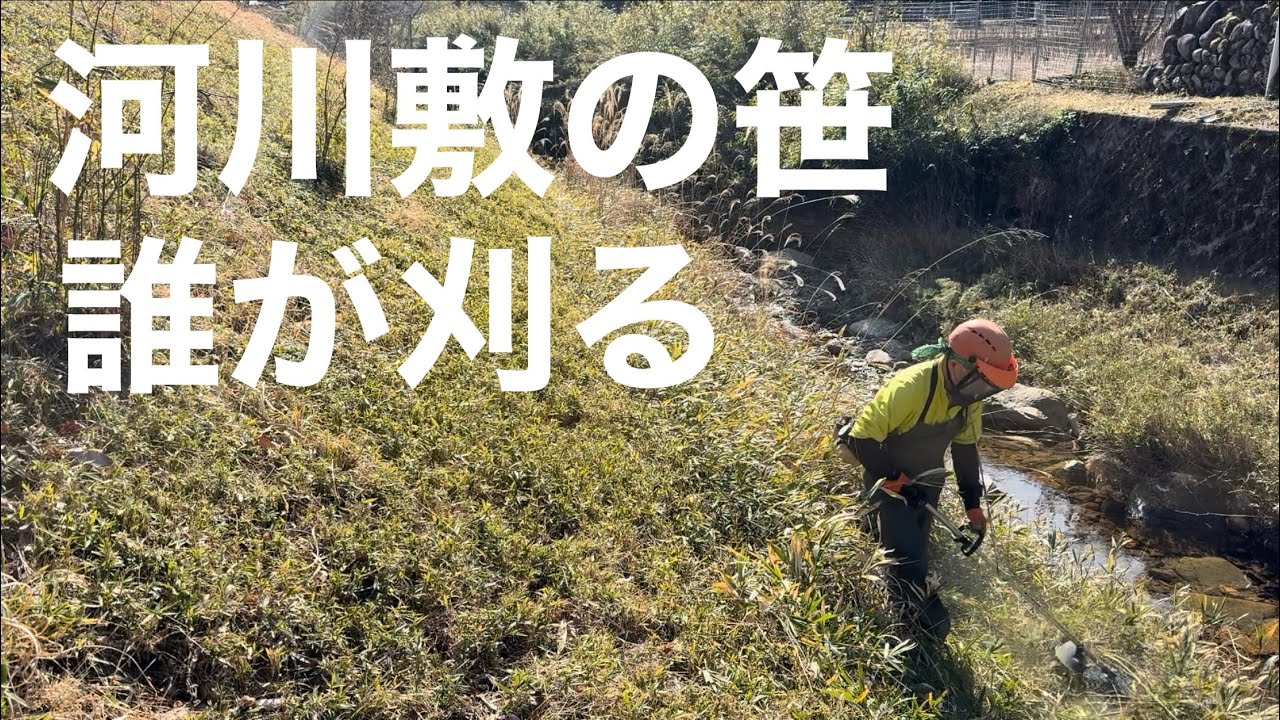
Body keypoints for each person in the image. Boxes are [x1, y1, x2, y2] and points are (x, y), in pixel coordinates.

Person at [835, 318, 1018, 640]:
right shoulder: (910, 388)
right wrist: (896, 481)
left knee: (916, 537)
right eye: (983, 383)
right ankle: (919, 629)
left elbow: (965, 452)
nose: (983, 393)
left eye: (990, 387)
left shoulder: (969, 400)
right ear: (956, 364)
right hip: (885, 472)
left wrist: (973, 508)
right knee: (907, 558)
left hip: (929, 480)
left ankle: (873, 533)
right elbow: (862, 440)